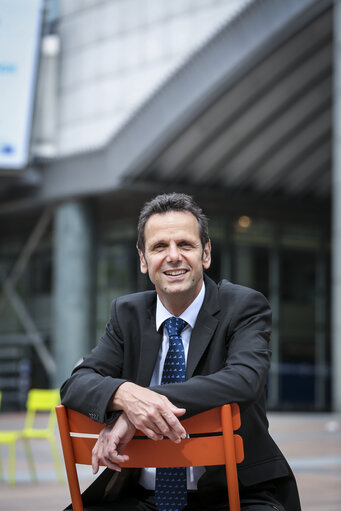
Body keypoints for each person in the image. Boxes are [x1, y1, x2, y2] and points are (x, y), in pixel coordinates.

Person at [60, 192, 301, 511]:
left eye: (185, 245)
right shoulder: (127, 313)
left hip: (235, 495)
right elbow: (76, 384)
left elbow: (245, 380)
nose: (173, 256)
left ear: (206, 254)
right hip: (140, 497)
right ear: (143, 260)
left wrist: (142, 407)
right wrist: (127, 396)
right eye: (159, 247)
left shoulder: (243, 306)